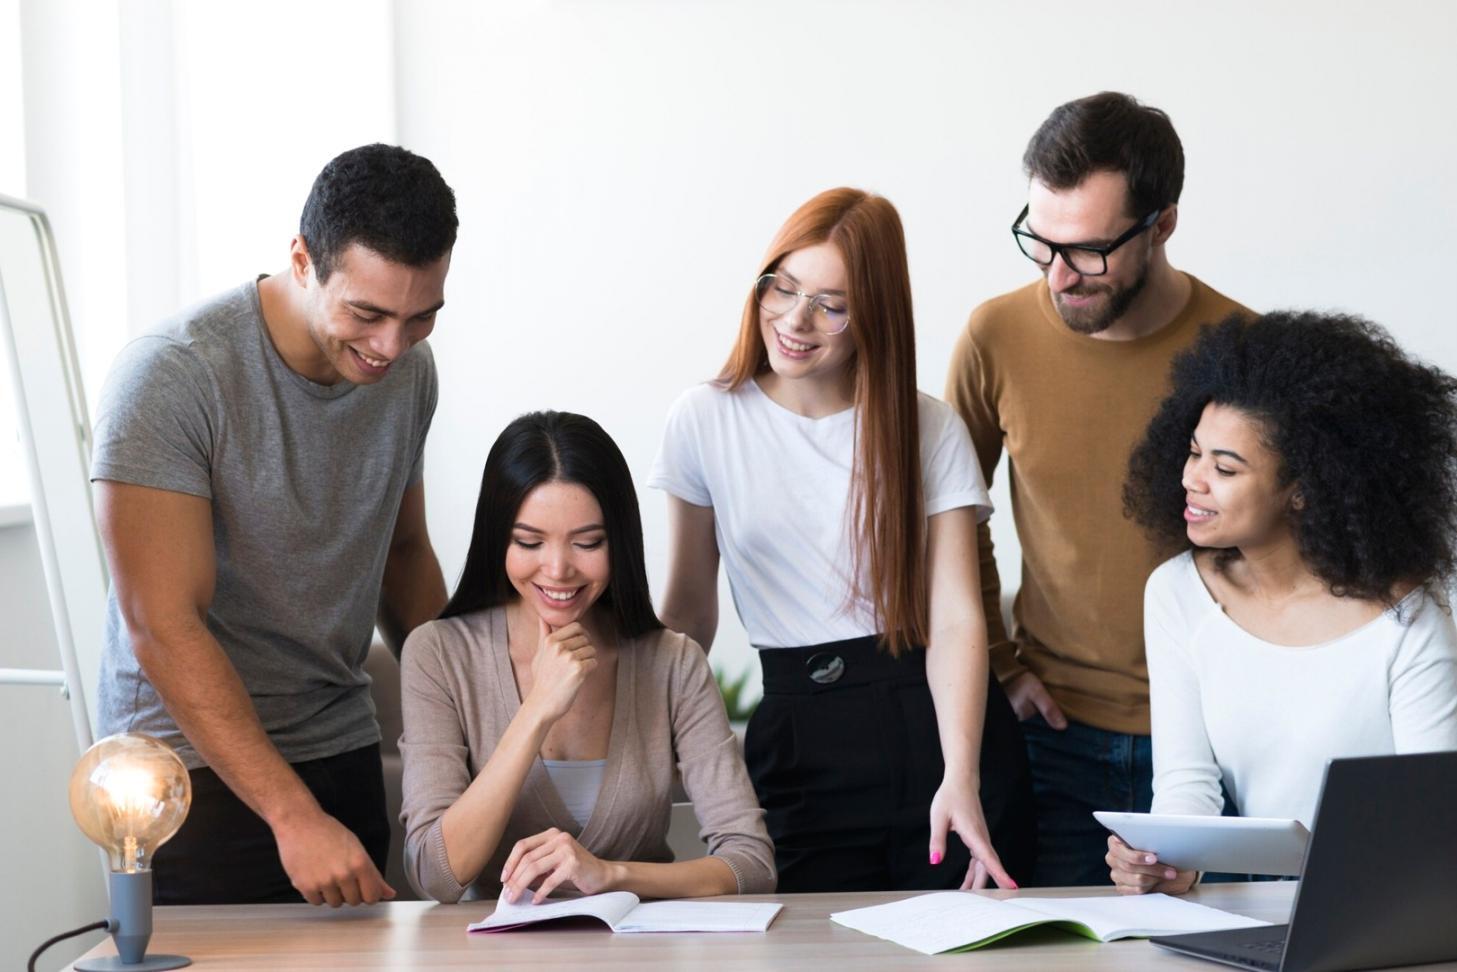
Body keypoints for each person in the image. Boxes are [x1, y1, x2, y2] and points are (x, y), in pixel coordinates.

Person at [91, 143, 456, 906]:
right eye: (367, 314)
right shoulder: (173, 375)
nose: (391, 346)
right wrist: (292, 816)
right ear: (301, 260)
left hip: (339, 741)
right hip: (189, 768)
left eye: (421, 317)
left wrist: (476, 720)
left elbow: (403, 554)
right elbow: (160, 623)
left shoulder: (406, 373)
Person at [652, 187, 1036, 893]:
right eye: (783, 287)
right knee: (806, 938)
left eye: (832, 304)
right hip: (800, 731)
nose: (796, 320)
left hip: (934, 727)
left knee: (960, 938)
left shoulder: (928, 428)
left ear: (876, 317)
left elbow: (956, 617)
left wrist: (961, 775)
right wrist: (637, 734)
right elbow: (686, 615)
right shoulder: (703, 419)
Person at [945, 92, 1251, 886]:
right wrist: (1002, 665)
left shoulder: (1244, 349)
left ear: (1161, 224)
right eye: (1040, 243)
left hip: (1222, 732)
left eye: (1086, 251)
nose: (1057, 275)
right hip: (1052, 736)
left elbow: (1288, 547)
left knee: (1221, 942)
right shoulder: (993, 336)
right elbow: (948, 521)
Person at [1110, 311, 1457, 893]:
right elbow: (1186, 784)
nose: (1193, 479)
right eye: (1194, 453)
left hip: (1390, 896)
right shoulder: (1177, 592)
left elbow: (1434, 816)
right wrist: (1166, 860)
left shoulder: (1409, 616)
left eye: (1225, 468)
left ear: (1302, 490)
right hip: (1262, 901)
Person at [399, 411, 774, 904]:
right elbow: (435, 875)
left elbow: (751, 863)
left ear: (619, 541)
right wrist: (537, 708)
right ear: (498, 540)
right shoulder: (439, 654)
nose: (558, 569)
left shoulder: (672, 662)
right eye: (529, 542)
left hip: (639, 942)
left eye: (588, 543)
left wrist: (610, 875)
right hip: (493, 943)